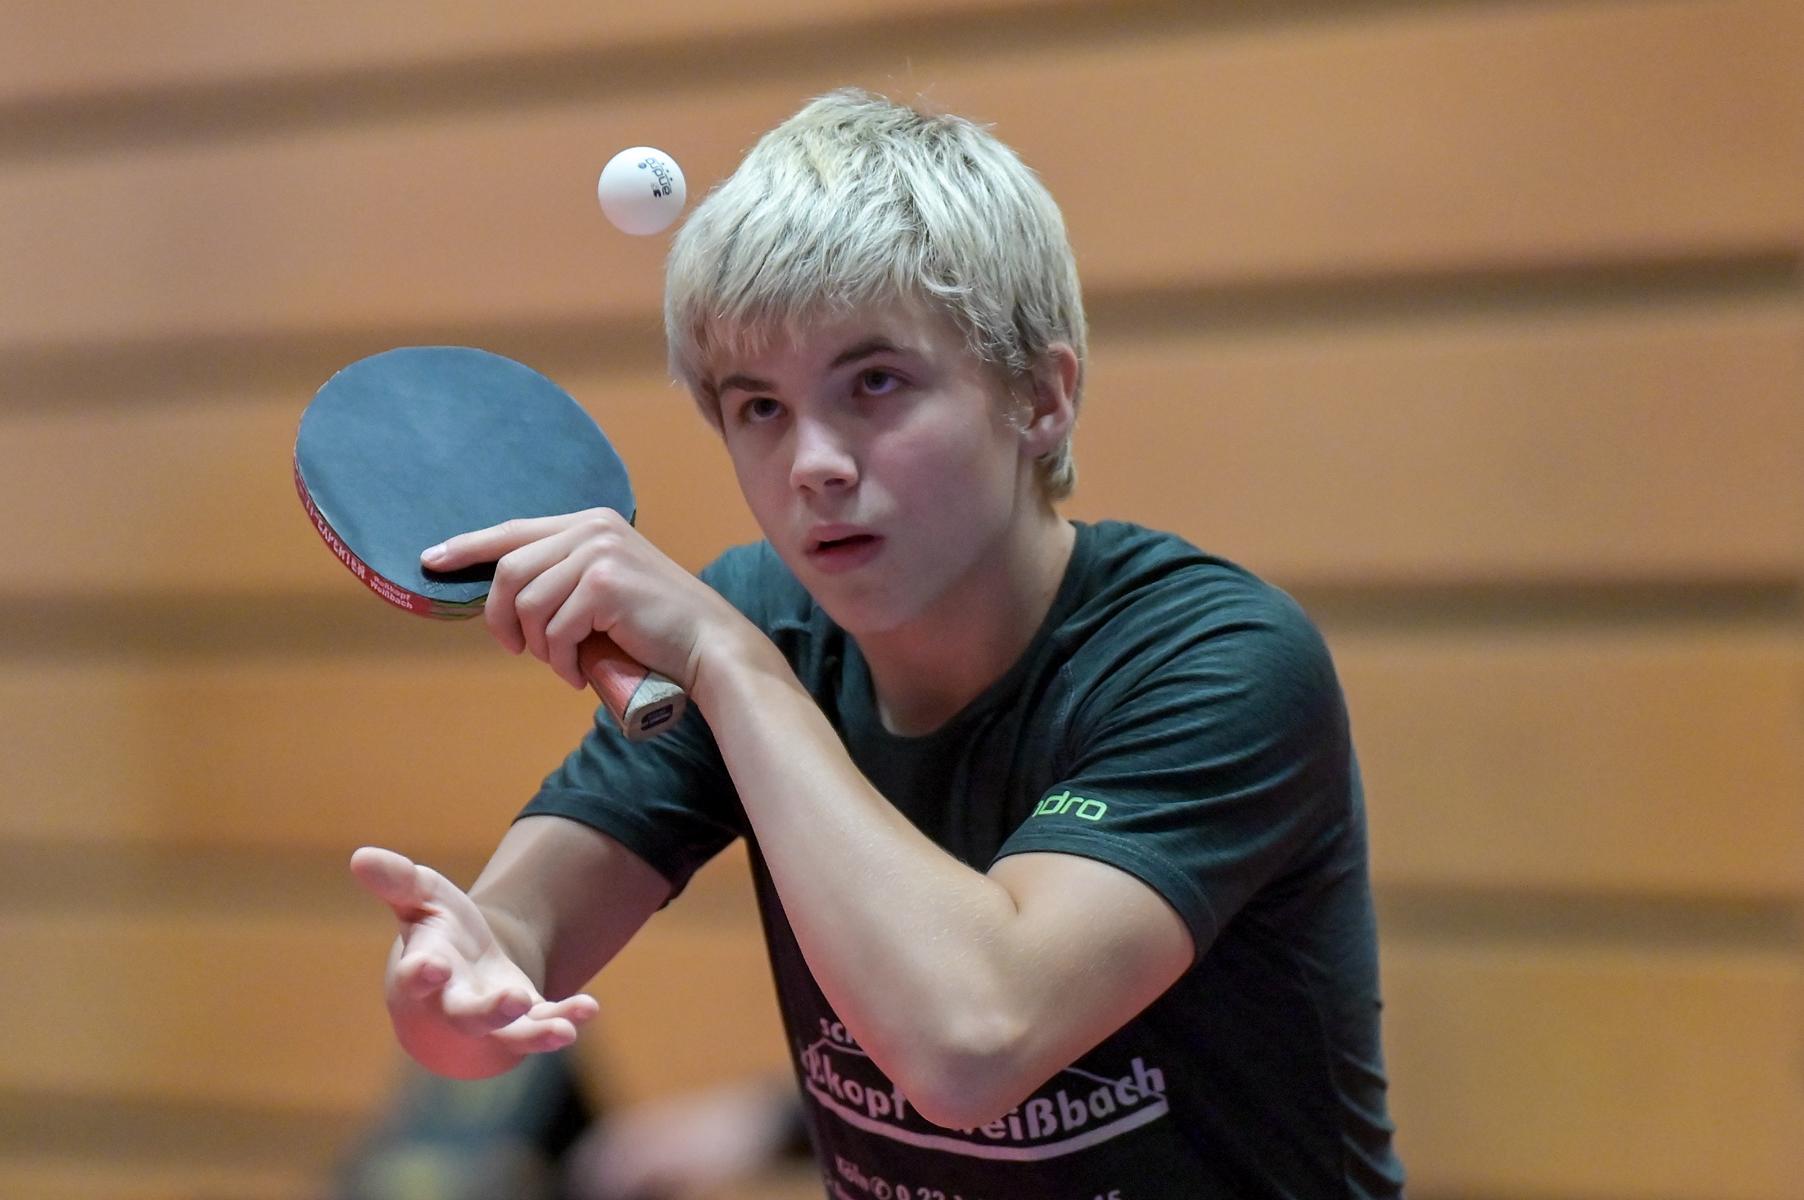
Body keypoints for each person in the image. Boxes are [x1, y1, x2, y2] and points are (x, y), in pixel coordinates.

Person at [352, 88, 1405, 1198]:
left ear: (1041, 397)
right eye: (760, 408)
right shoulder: (760, 621)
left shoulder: (1217, 663)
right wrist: (453, 991)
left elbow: (973, 1042)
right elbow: (509, 952)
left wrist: (731, 667)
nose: (814, 463)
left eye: (876, 384)